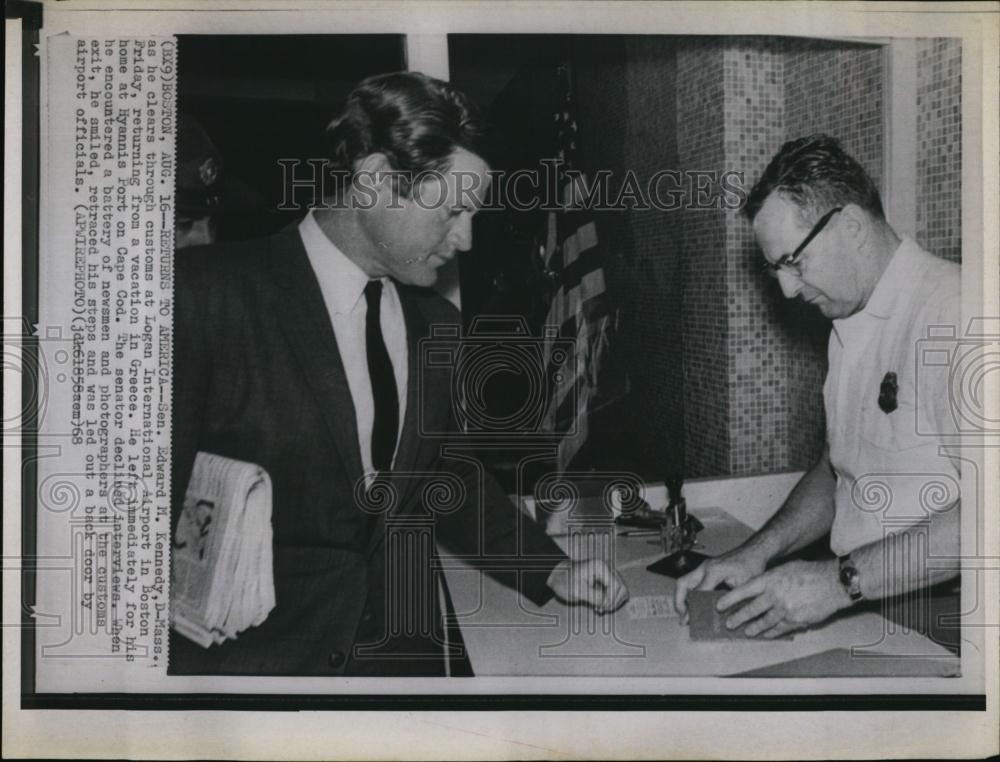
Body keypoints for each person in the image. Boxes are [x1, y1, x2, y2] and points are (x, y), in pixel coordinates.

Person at [169, 71, 628, 676]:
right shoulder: (203, 297)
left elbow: (443, 471)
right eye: (453, 211)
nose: (465, 240)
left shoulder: (435, 320)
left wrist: (548, 566)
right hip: (256, 682)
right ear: (377, 180)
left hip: (400, 661)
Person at [675, 134, 961, 639]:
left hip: (951, 617)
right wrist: (754, 554)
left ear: (850, 226)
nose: (787, 288)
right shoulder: (847, 318)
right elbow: (838, 471)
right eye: (775, 269)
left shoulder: (956, 311)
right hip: (868, 600)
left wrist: (838, 582)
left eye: (794, 261)